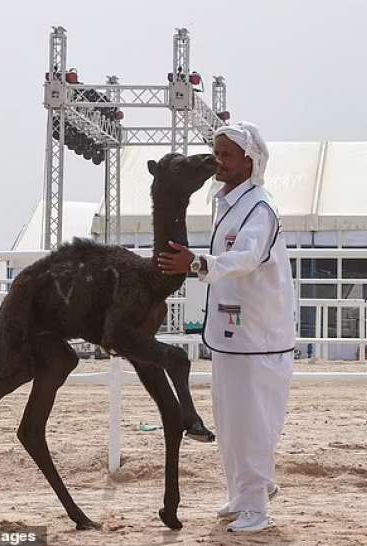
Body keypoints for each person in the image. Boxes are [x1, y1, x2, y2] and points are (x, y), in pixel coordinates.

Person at [157, 121, 295, 533]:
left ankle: (257, 507)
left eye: (227, 155)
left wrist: (199, 264)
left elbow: (247, 258)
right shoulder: (230, 203)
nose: (218, 161)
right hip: (233, 334)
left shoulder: (260, 209)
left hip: (259, 336)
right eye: (216, 152)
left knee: (252, 421)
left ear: (249, 161)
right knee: (231, 419)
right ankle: (243, 493)